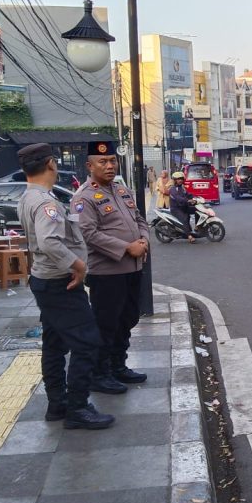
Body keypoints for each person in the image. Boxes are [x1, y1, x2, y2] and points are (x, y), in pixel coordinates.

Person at [15, 143, 115, 430]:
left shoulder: (28, 197)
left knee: (54, 343)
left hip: (44, 281)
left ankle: (57, 403)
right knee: (87, 344)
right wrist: (78, 265)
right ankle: (78, 408)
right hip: (60, 283)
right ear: (50, 164)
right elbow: (49, 242)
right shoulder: (46, 203)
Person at [73, 140, 151, 394]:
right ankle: (100, 373)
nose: (109, 166)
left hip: (133, 268)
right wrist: (127, 248)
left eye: (112, 161)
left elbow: (139, 218)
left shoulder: (121, 190)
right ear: (89, 165)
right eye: (102, 162)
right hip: (107, 273)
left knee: (127, 318)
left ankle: (119, 366)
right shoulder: (84, 197)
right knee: (106, 323)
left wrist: (143, 240)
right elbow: (88, 233)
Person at [169, 171, 197, 244]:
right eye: (178, 179)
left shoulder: (182, 187)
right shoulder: (173, 189)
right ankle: (189, 236)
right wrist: (188, 201)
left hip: (184, 207)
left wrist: (195, 197)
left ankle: (198, 227)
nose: (180, 180)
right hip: (176, 209)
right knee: (184, 219)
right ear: (175, 180)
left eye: (181, 178)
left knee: (197, 210)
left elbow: (188, 194)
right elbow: (178, 198)